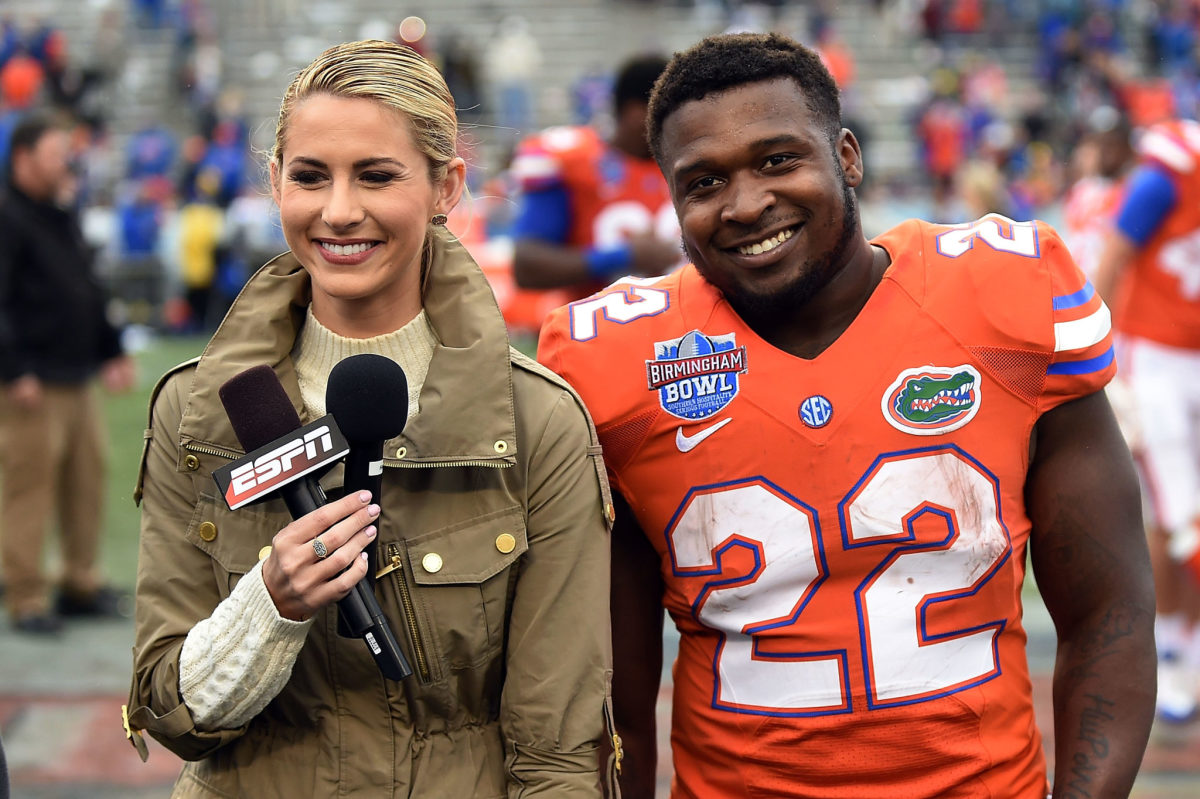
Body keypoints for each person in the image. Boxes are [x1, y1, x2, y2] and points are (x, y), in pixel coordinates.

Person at [538, 32, 1157, 798]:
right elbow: (613, 703)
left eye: (777, 159)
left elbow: (1110, 619)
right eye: (703, 183)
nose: (747, 204)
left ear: (848, 158)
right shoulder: (616, 362)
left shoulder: (1004, 297)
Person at [124, 40, 613, 797]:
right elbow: (168, 711)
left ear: (447, 185)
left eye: (377, 176)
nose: (339, 210)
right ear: (274, 182)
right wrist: (269, 605)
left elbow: (557, 755)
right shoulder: (196, 410)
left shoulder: (538, 422)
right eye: (310, 176)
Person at [0, 110, 136, 635]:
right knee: (30, 488)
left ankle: (79, 581)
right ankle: (27, 595)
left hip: (76, 376)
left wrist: (113, 350)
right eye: (55, 153)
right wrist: (14, 370)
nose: (66, 162)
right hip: (32, 382)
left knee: (86, 480)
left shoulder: (60, 213)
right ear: (23, 159)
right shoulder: (8, 219)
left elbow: (87, 288)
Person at [1092, 115, 1200, 724]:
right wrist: (1091, 347)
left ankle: (1185, 639)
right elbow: (1113, 256)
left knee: (1178, 517)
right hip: (1157, 359)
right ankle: (1172, 648)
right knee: (1179, 516)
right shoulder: (1168, 176)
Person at [509, 53, 680, 303]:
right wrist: (623, 256)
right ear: (636, 113)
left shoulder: (687, 159)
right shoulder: (573, 161)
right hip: (604, 331)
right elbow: (526, 267)